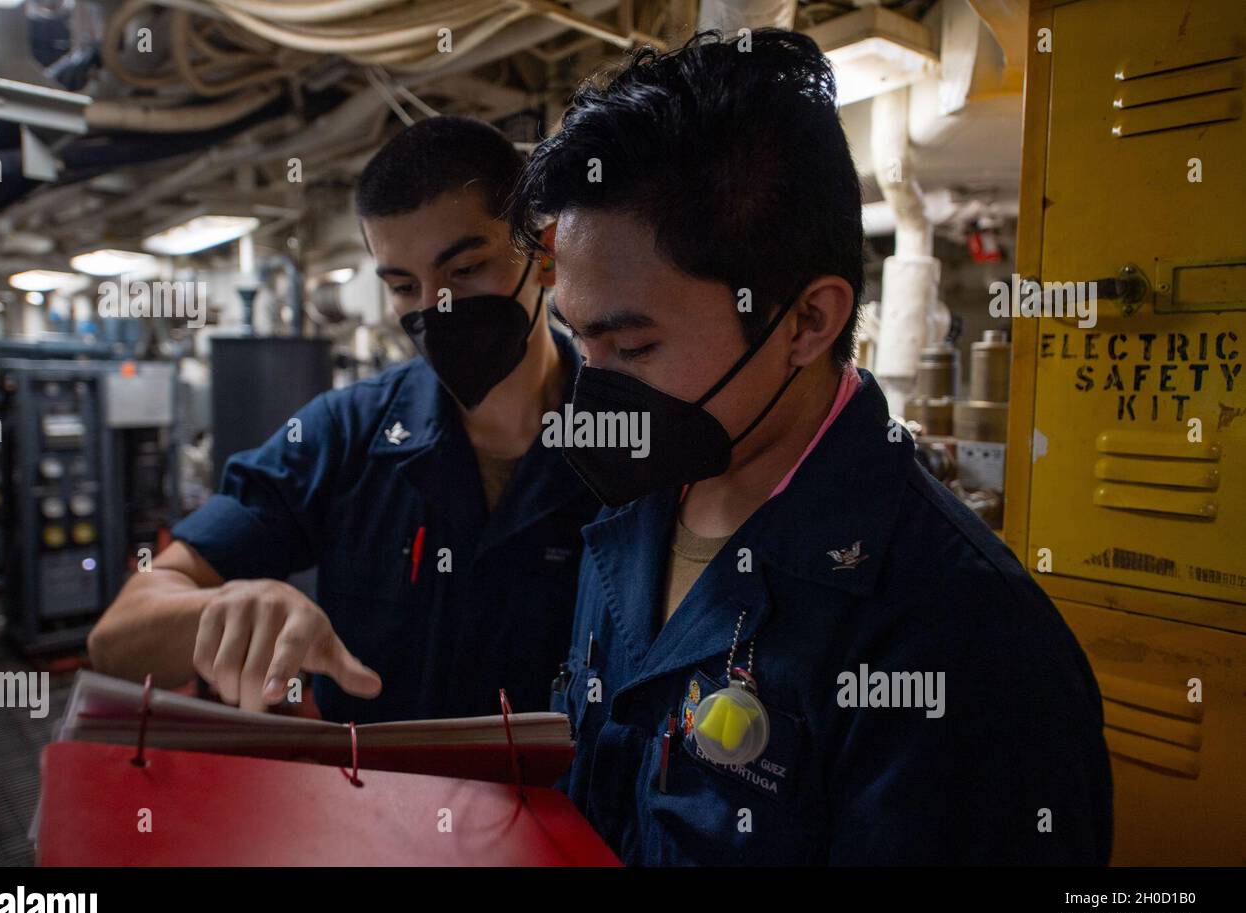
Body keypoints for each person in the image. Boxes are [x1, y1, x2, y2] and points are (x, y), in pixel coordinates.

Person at [510, 30, 1112, 864]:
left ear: (806, 321)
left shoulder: (960, 640)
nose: (595, 398)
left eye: (635, 348)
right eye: (580, 343)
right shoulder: (635, 515)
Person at [89, 116, 600, 722]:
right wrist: (222, 610)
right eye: (404, 286)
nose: (434, 307)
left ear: (544, 257)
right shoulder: (343, 435)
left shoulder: (630, 442)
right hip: (371, 809)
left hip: (559, 813)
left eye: (464, 271)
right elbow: (116, 641)